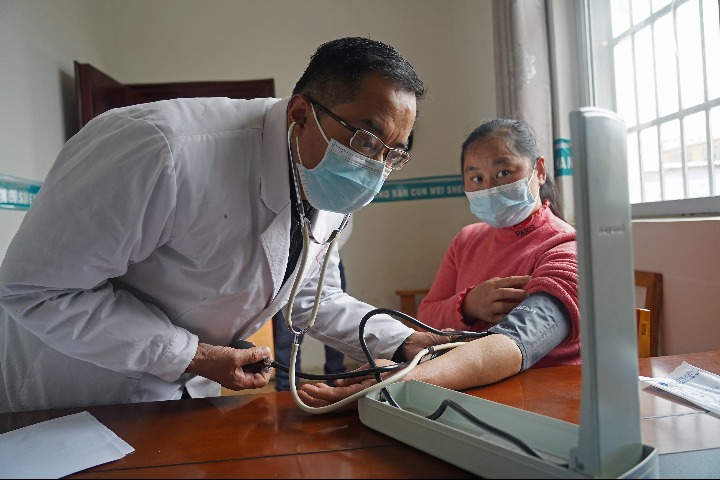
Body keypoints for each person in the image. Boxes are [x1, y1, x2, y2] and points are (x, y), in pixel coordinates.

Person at [0, 37, 450, 413]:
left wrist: (402, 341)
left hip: (179, 402)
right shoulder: (161, 150)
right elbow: (35, 288)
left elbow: (310, 294)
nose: (374, 167)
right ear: (299, 114)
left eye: (393, 153)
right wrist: (193, 355)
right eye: (367, 141)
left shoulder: (330, 181)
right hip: (75, 390)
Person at [298, 117, 580, 407]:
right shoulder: (468, 240)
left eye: (504, 172)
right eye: (476, 178)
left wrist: (402, 379)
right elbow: (427, 318)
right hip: (466, 392)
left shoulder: (565, 248)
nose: (490, 188)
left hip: (542, 401)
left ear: (540, 170)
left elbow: (515, 343)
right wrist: (467, 305)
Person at [272, 217, 353, 391]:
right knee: (286, 333)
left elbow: (343, 227)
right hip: (291, 258)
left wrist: (320, 247)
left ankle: (337, 380)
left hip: (325, 253)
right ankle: (285, 387)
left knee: (337, 326)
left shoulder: (343, 202)